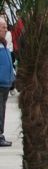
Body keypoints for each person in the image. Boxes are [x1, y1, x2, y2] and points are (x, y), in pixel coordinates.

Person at [0, 17, 14, 147]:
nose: (6, 29)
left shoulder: (4, 43)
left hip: (5, 83)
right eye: (3, 27)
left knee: (2, 109)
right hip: (0, 84)